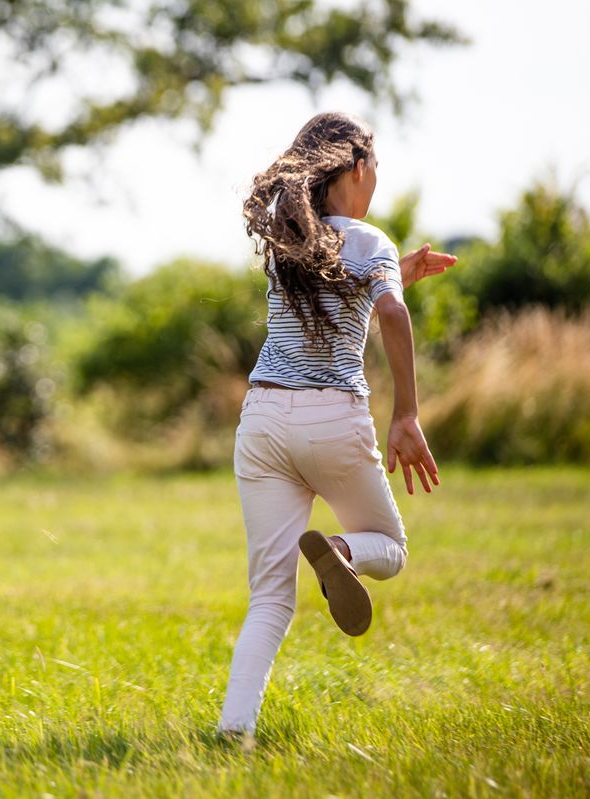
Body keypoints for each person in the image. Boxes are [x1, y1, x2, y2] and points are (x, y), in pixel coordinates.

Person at [216, 112, 456, 745]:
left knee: (269, 598)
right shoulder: (367, 240)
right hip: (332, 417)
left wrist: (392, 272)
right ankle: (343, 553)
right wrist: (406, 413)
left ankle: (232, 732)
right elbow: (392, 317)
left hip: (264, 419)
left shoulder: (288, 239)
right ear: (356, 166)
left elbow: (331, 294)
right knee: (392, 549)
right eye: (375, 165)